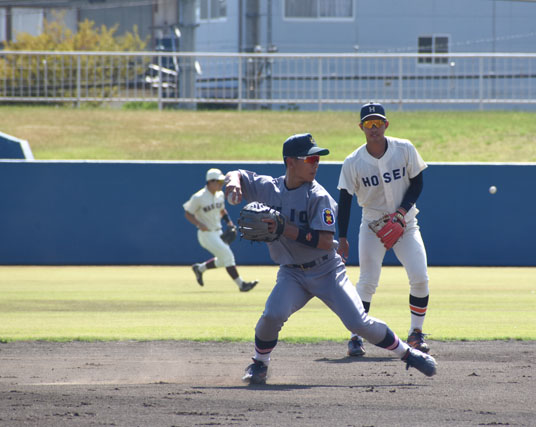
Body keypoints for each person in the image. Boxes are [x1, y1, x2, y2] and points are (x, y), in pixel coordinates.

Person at [224, 133, 436, 385]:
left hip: (327, 271)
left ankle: (407, 353)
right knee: (272, 314)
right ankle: (259, 364)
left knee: (359, 323)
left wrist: (284, 228)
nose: (316, 163)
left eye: (318, 158)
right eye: (311, 158)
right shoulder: (268, 187)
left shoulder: (319, 196)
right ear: (290, 162)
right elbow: (235, 173)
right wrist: (233, 184)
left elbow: (325, 242)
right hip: (292, 273)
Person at [337, 102, 430, 357]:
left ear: (386, 124)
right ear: (361, 127)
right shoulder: (353, 161)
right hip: (372, 225)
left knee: (420, 277)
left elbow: (417, 183)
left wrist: (401, 212)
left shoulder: (404, 148)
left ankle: (416, 333)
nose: (374, 128)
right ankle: (356, 337)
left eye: (378, 122)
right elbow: (344, 200)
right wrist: (342, 237)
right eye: (369, 124)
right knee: (367, 281)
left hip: (406, 223)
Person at [183, 168, 258, 292]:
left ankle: (200, 268)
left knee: (223, 260)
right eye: (218, 181)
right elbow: (188, 213)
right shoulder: (199, 197)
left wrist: (229, 222)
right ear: (210, 182)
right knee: (228, 256)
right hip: (205, 234)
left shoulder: (220, 195)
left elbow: (222, 210)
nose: (221, 184)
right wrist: (198, 224)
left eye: (221, 181)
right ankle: (242, 285)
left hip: (218, 232)